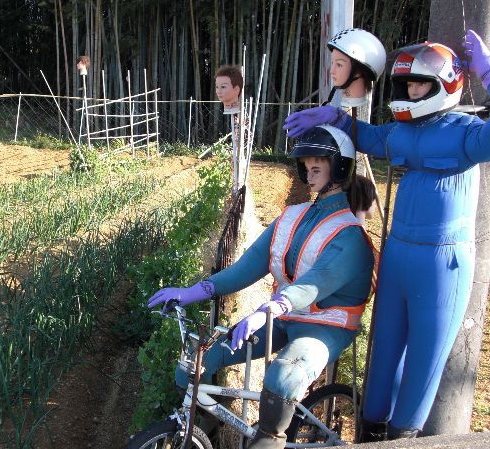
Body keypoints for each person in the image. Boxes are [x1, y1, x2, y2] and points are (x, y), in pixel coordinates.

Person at [282, 31, 490, 440]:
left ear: (445, 84)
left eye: (421, 85)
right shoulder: (400, 132)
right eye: (407, 85)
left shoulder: (466, 132)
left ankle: (403, 438)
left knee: (425, 360)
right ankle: (370, 431)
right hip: (397, 254)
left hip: (442, 263)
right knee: (384, 351)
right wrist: (334, 118)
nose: (411, 92)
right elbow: (371, 137)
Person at [148, 125, 374, 449]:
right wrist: (192, 292)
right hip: (281, 317)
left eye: (317, 169)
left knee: (282, 378)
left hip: (325, 325)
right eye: (306, 169)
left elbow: (314, 284)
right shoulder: (292, 217)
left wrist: (269, 309)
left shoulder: (349, 235)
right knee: (196, 363)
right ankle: (208, 430)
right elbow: (247, 267)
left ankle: (270, 439)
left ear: (339, 170)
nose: (309, 177)